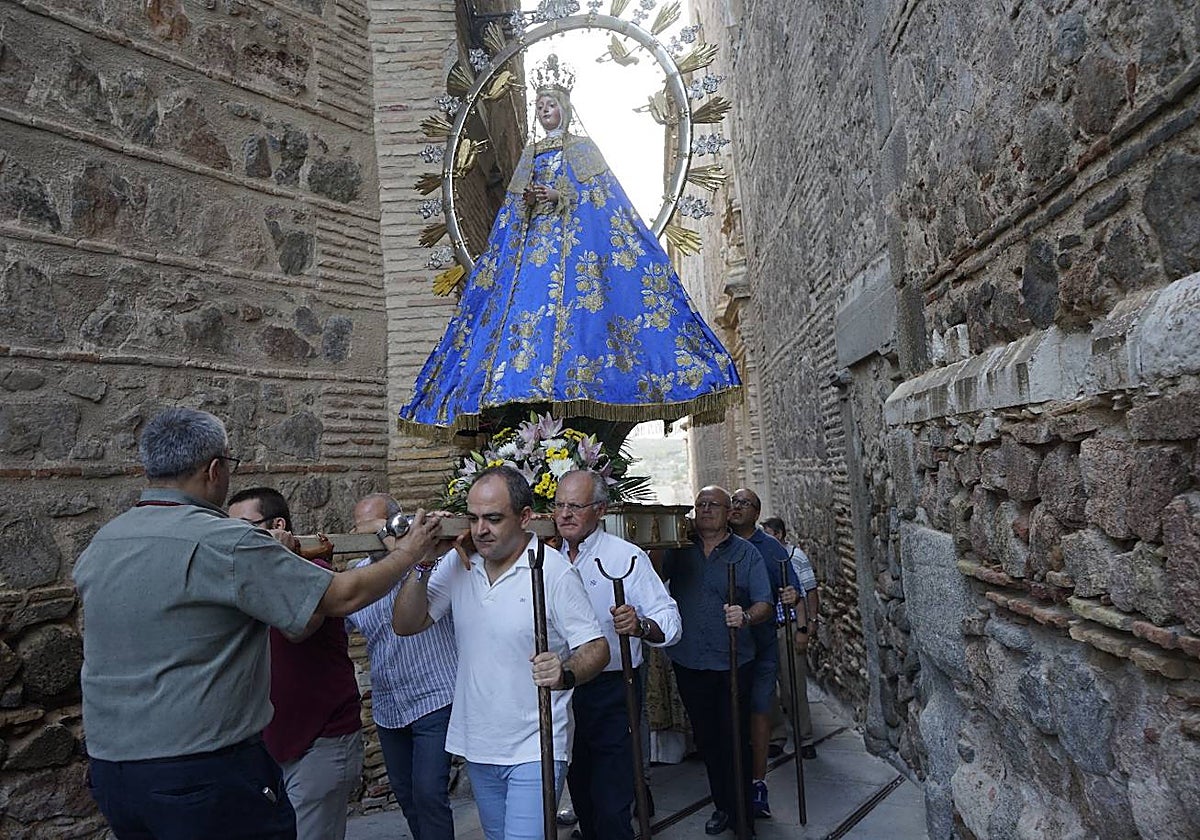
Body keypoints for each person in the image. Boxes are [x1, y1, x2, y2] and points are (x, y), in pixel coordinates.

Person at [74, 407, 442, 839]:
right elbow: (343, 595)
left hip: (112, 771)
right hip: (201, 770)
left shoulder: (105, 540)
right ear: (215, 470)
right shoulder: (225, 540)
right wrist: (410, 552)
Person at [399, 53, 740, 433]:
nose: (545, 111)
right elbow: (512, 210)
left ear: (564, 107)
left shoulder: (582, 149)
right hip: (534, 255)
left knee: (583, 329)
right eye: (539, 106)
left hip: (577, 254)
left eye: (551, 105)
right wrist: (529, 200)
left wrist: (561, 195)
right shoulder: (530, 155)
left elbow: (603, 198)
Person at [391, 465, 611, 840]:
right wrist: (424, 560)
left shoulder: (551, 570)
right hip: (479, 741)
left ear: (524, 517)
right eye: (473, 518)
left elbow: (596, 647)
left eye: (493, 519)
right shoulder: (458, 563)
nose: (481, 529)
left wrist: (565, 672)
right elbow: (406, 623)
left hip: (536, 743)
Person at [226, 487, 364, 840]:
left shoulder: (315, 571)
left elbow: (297, 629)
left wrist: (280, 563)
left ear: (278, 526)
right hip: (272, 740)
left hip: (321, 738)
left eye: (245, 528)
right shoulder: (248, 580)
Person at [552, 470, 682, 840]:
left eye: (575, 506)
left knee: (612, 799)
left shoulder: (625, 557)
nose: (565, 514)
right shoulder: (545, 559)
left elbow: (669, 620)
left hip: (612, 689)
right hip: (562, 689)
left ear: (600, 510)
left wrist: (641, 626)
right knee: (580, 786)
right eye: (559, 505)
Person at [344, 493, 457, 840]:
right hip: (389, 706)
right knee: (407, 796)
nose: (371, 539)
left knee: (429, 794)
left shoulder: (433, 562)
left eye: (378, 529)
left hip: (434, 697)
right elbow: (332, 627)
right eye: (362, 531)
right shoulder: (358, 577)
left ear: (398, 524)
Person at [661, 486, 772, 837]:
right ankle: (723, 806)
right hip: (690, 661)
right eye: (701, 504)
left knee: (735, 739)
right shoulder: (679, 550)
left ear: (728, 513)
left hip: (733, 663)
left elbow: (765, 602)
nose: (706, 510)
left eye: (714, 505)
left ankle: (743, 816)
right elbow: (653, 579)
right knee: (708, 740)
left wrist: (746, 616)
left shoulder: (746, 553)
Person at [728, 489, 803, 819]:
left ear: (756, 513)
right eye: (733, 502)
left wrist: (791, 596)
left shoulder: (771, 548)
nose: (736, 507)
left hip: (761, 643)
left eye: (743, 503)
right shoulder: (716, 542)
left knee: (759, 708)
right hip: (726, 648)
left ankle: (758, 783)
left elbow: (793, 589)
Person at [762, 516, 819, 760]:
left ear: (779, 534)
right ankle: (777, 736)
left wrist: (806, 626)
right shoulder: (758, 555)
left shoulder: (794, 557)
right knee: (768, 689)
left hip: (788, 625)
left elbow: (808, 592)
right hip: (765, 630)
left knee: (793, 686)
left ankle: (804, 738)